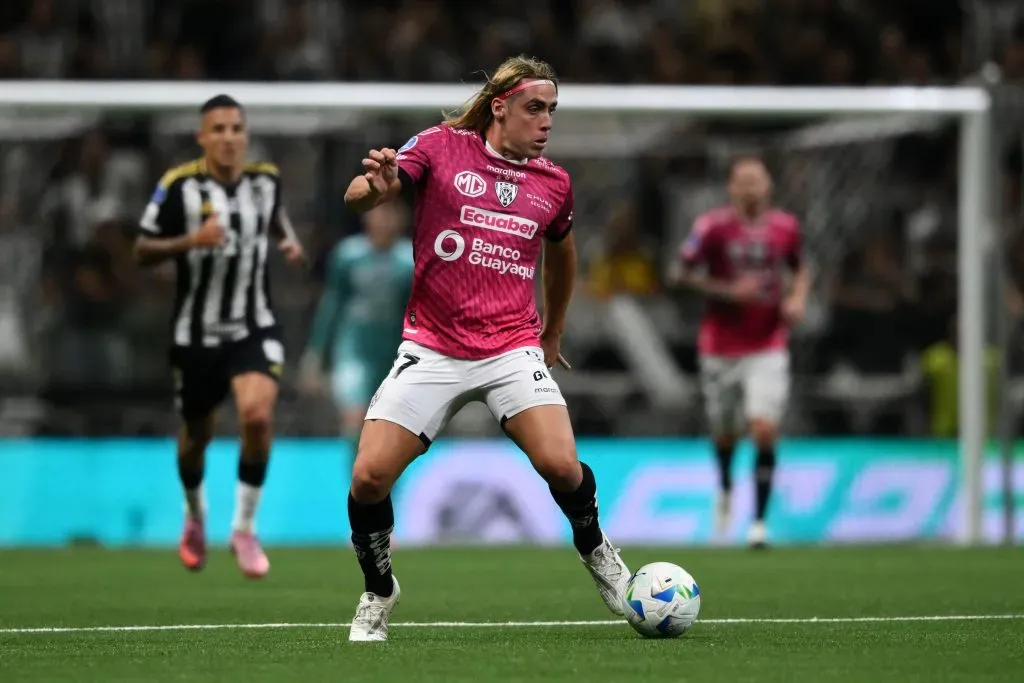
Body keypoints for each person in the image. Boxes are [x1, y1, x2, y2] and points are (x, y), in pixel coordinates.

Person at [340, 55, 631, 642]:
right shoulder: (441, 146)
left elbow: (564, 252)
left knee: (560, 465)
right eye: (534, 108)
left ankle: (598, 552)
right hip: (434, 344)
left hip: (510, 346)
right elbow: (359, 196)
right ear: (500, 107)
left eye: (552, 110)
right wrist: (377, 186)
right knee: (369, 478)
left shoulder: (554, 183)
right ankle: (378, 588)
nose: (546, 121)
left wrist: (552, 332)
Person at [134, 95, 306, 578]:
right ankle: (194, 516)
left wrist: (288, 241)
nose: (229, 137)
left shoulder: (265, 180)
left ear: (245, 134)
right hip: (196, 333)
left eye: (236, 128)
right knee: (197, 437)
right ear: (202, 137)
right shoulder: (178, 185)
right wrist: (191, 240)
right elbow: (142, 249)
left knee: (256, 417)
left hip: (254, 324)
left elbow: (275, 218)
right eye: (219, 129)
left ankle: (244, 529)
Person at [672, 156, 809, 549]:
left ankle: (759, 524)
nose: (750, 188)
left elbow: (800, 268)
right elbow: (680, 273)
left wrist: (797, 298)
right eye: (742, 182)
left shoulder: (786, 227)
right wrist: (727, 291)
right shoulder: (712, 227)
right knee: (726, 432)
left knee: (763, 427)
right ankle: (726, 488)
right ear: (731, 188)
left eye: (756, 180)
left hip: (768, 343)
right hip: (720, 346)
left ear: (768, 185)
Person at [300, 202, 414, 437]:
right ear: (367, 216)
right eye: (379, 212)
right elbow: (332, 304)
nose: (384, 220)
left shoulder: (409, 260)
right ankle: (355, 473)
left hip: (393, 353)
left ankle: (382, 473)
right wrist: (316, 352)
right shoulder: (348, 255)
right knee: (354, 419)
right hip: (353, 349)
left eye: (390, 213)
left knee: (387, 427)